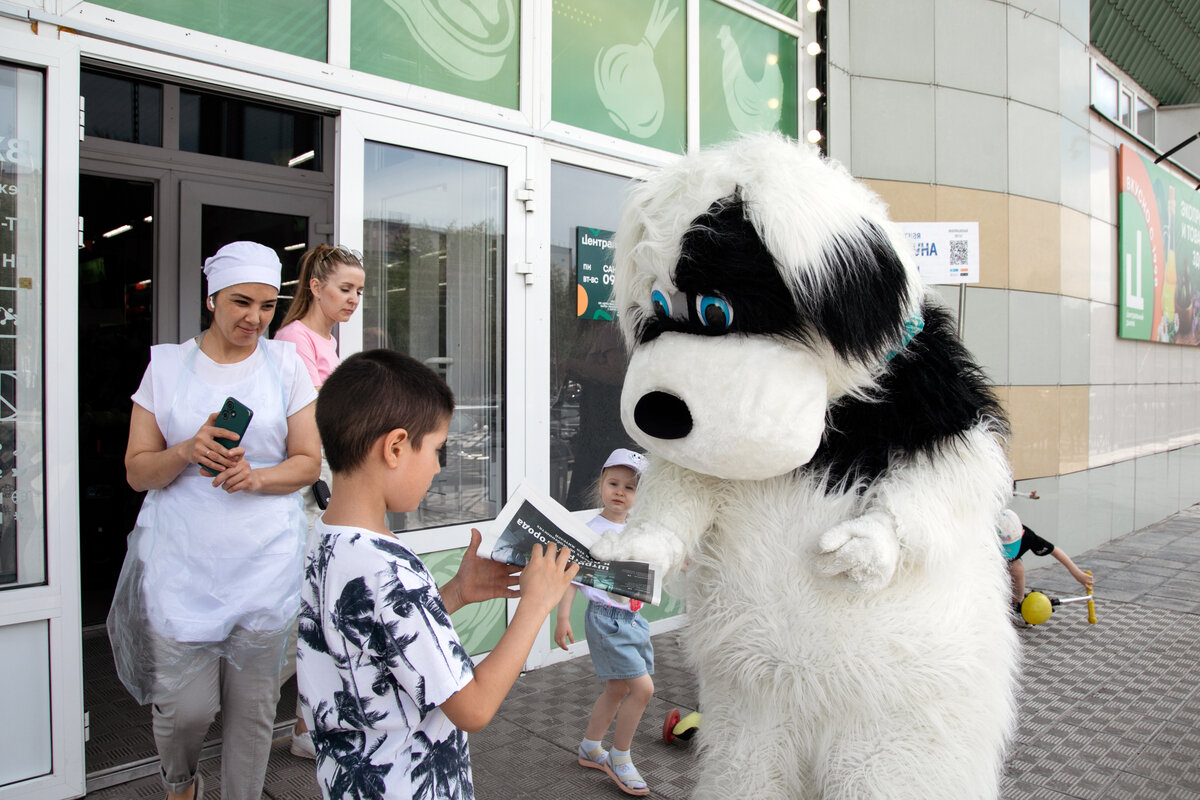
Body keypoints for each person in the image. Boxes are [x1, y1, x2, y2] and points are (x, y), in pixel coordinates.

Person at [296, 349, 579, 800]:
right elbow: (473, 708)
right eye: (435, 449)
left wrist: (453, 594)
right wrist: (536, 604)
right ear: (394, 447)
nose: (439, 466)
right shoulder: (390, 568)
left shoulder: (326, 537)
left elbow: (369, 637)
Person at [111, 241, 322, 800]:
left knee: (252, 715)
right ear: (211, 299)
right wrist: (186, 450)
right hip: (181, 567)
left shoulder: (285, 366)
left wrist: (256, 477)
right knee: (185, 709)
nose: (254, 318)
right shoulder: (166, 366)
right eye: (240, 303)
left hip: (263, 567)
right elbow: (137, 471)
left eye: (267, 305)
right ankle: (181, 781)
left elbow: (307, 462)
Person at [272, 243, 366, 758]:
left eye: (358, 291)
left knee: (321, 607)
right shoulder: (293, 340)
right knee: (305, 608)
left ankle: (307, 728)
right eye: (345, 288)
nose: (353, 299)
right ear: (315, 286)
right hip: (310, 491)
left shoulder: (324, 341)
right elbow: (305, 428)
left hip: (330, 483)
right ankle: (271, 715)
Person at [554, 447, 653, 797]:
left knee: (618, 688)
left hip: (634, 619)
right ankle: (620, 757)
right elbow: (571, 577)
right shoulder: (590, 530)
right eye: (614, 483)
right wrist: (563, 617)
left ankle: (590, 746)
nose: (620, 492)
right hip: (606, 620)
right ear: (600, 484)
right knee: (643, 689)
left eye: (630, 487)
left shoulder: (639, 529)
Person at [998, 508, 1094, 614]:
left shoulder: (1028, 537)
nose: (1008, 553)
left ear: (1022, 533)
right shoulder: (981, 538)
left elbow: (1055, 551)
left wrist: (1077, 574)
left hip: (1007, 562)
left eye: (1011, 546)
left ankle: (1017, 605)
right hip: (986, 562)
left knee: (1017, 569)